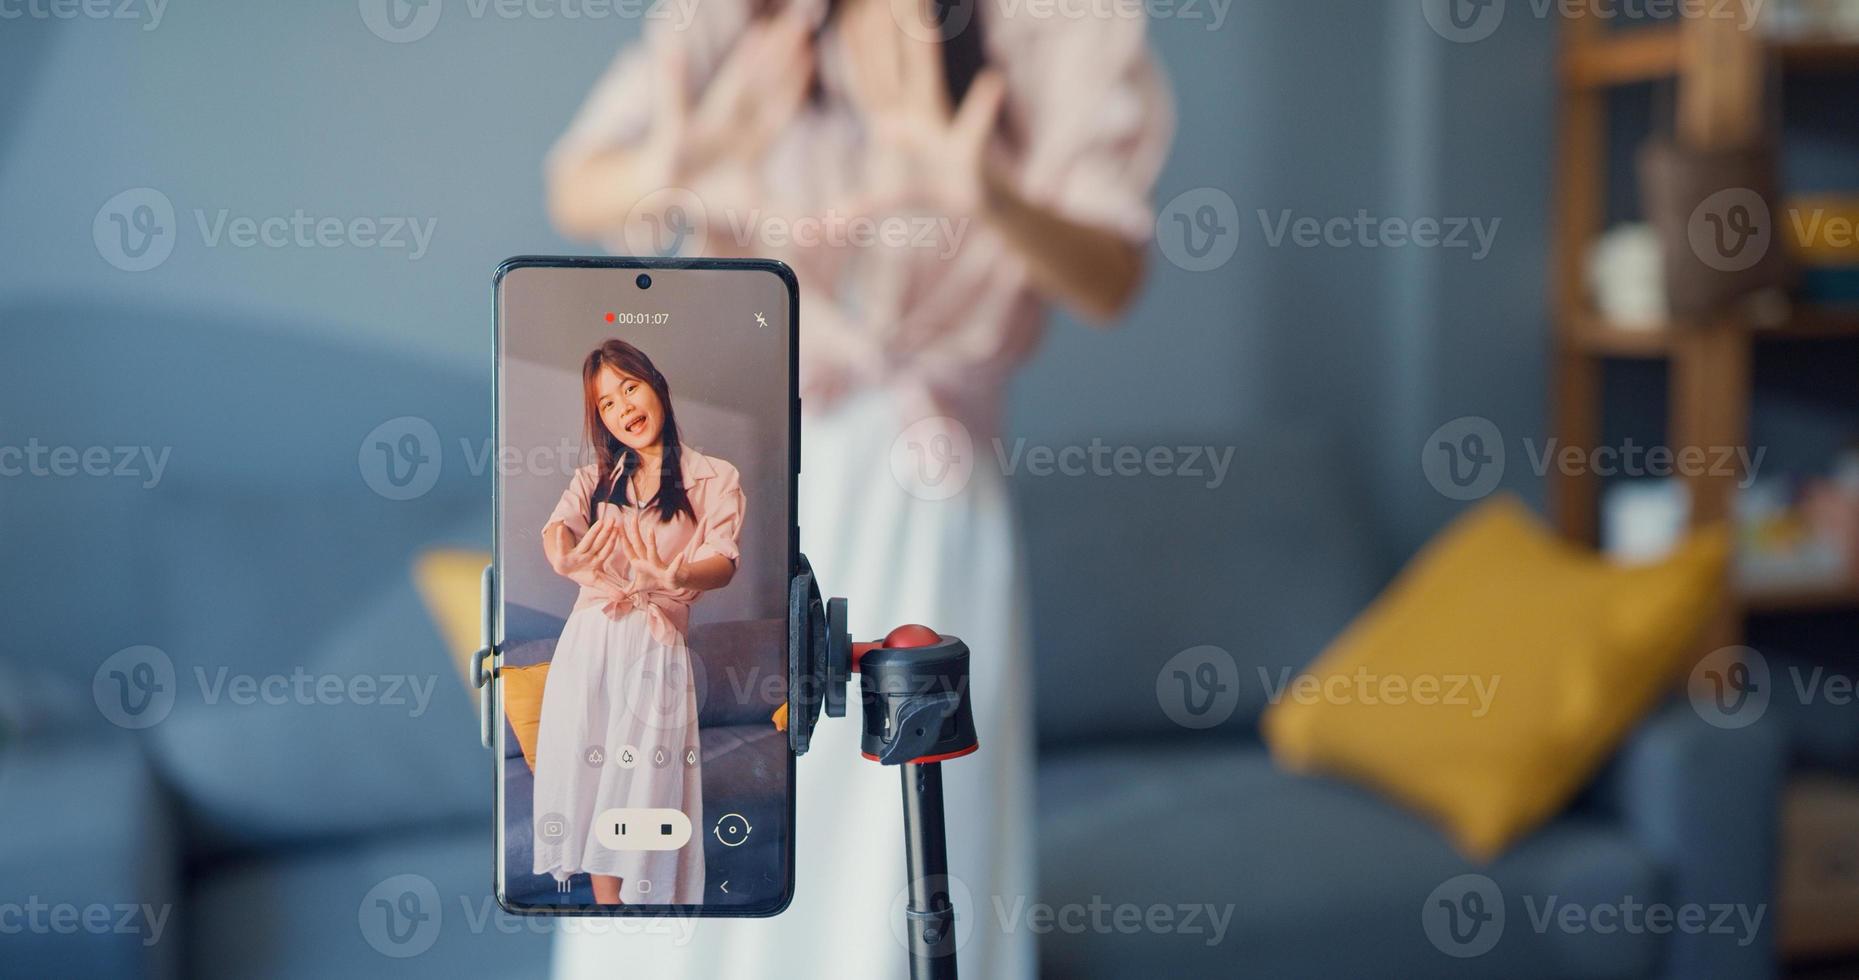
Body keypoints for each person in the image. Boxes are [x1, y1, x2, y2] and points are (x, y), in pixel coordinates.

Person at [545, 0, 1172, 972]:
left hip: (925, 502)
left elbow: (1112, 272)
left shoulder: (1057, 25)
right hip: (726, 484)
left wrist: (986, 192)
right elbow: (574, 184)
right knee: (694, 832)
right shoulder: (738, 17)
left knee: (900, 862)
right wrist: (676, 155)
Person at [531, 338, 745, 906]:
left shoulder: (716, 477)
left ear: (657, 385)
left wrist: (672, 575)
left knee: (641, 799)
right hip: (590, 643)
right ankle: (610, 924)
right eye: (606, 402)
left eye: (630, 386)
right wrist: (565, 557)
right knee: (596, 794)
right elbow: (558, 530)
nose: (623, 406)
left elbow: (722, 562)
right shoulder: (592, 480)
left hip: (655, 653)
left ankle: (652, 930)